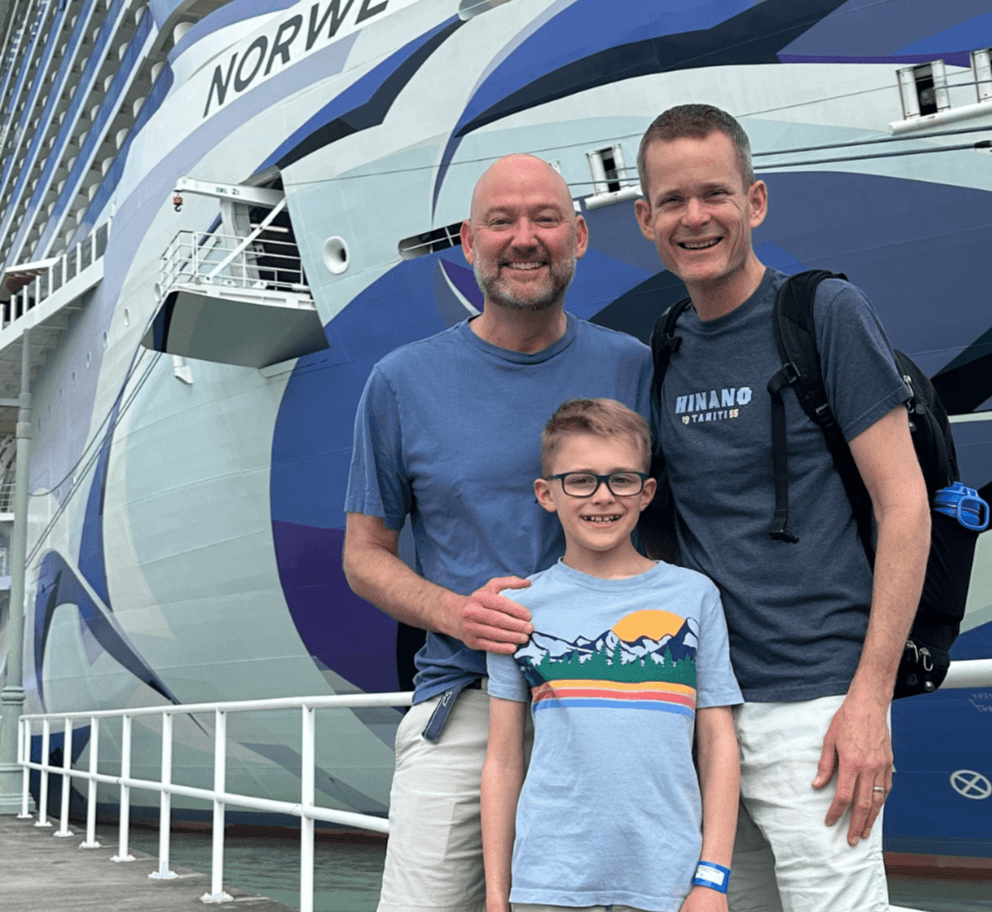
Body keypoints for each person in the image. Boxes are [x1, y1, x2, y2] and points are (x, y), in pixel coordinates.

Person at [633, 103, 932, 911]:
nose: (694, 217)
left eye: (714, 194)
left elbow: (904, 504)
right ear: (645, 218)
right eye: (672, 201)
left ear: (754, 200)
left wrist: (867, 699)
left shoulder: (821, 313)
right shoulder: (667, 344)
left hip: (817, 707)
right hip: (707, 711)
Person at [343, 154, 653, 912]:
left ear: (577, 235)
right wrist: (459, 614)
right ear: (465, 240)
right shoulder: (399, 381)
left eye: (545, 218)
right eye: (501, 221)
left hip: (613, 696)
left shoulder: (634, 365)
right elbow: (363, 555)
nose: (524, 238)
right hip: (467, 702)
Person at [482, 398, 742, 912]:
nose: (602, 497)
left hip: (667, 884)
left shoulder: (694, 596)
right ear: (546, 493)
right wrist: (496, 895)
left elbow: (717, 743)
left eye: (621, 479)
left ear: (646, 493)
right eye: (580, 480)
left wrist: (711, 880)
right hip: (548, 884)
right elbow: (503, 761)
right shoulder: (516, 608)